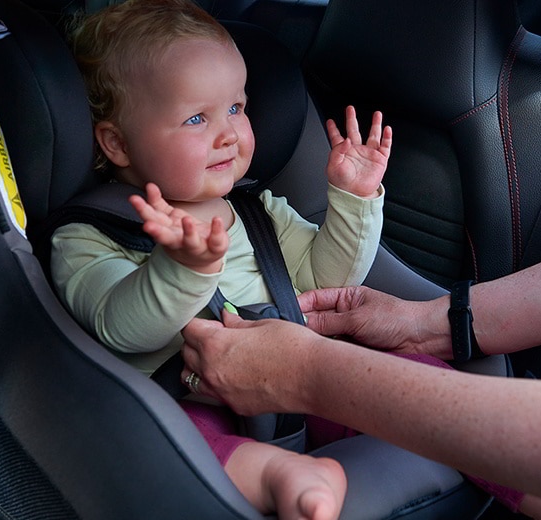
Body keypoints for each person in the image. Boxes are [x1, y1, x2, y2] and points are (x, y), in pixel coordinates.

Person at [52, 0, 392, 518]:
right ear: (117, 143)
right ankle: (286, 476)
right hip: (191, 402)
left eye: (237, 107)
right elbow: (121, 328)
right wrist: (182, 267)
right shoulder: (87, 236)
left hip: (295, 379)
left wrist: (353, 202)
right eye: (196, 118)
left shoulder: (255, 211)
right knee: (168, 445)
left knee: (404, 375)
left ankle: (511, 468)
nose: (230, 132)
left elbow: (326, 281)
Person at [180, 222, 541, 519]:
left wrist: (306, 371)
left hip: (286, 354)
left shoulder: (261, 211)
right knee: (183, 434)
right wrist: (436, 324)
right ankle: (276, 472)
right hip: (195, 384)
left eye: (238, 108)